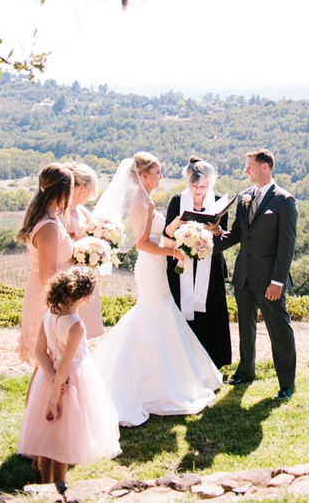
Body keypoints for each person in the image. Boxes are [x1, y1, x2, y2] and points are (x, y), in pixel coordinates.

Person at [92, 152, 222, 425]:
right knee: (153, 315)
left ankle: (163, 377)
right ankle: (147, 383)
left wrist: (177, 235)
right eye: (158, 172)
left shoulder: (146, 200)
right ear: (144, 176)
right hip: (151, 267)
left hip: (156, 266)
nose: (162, 176)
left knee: (159, 315)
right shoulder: (142, 202)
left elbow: (154, 237)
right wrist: (173, 251)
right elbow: (142, 244)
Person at [18, 267, 120, 482]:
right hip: (70, 383)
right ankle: (60, 485)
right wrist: (55, 399)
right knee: (63, 439)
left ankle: (45, 484)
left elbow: (39, 351)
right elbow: (65, 366)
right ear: (84, 298)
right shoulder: (76, 325)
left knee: (47, 436)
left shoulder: (49, 314)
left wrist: (51, 378)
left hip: (46, 378)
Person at [212, 149, 297, 400]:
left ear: (265, 168)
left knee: (279, 330)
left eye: (250, 166)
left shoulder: (284, 200)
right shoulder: (244, 197)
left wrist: (277, 281)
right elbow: (238, 234)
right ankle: (245, 371)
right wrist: (213, 238)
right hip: (244, 276)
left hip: (270, 279)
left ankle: (286, 384)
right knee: (245, 327)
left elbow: (286, 245)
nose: (246, 170)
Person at [164, 157, 231, 369]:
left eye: (202, 186)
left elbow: (223, 236)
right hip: (182, 265)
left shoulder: (219, 201)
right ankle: (183, 362)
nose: (198, 190)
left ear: (210, 183)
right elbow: (166, 234)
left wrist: (216, 230)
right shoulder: (177, 200)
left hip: (210, 266)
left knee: (210, 309)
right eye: (193, 186)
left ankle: (213, 362)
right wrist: (175, 224)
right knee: (183, 307)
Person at [15, 163, 75, 365]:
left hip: (49, 293)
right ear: (63, 191)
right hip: (49, 297)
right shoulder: (49, 227)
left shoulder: (51, 219)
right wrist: (67, 300)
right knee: (48, 363)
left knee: (51, 364)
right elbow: (47, 275)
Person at [66, 162, 104, 338]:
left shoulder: (82, 211)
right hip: (70, 277)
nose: (91, 195)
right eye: (90, 189)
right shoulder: (63, 214)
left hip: (86, 274)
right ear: (81, 188)